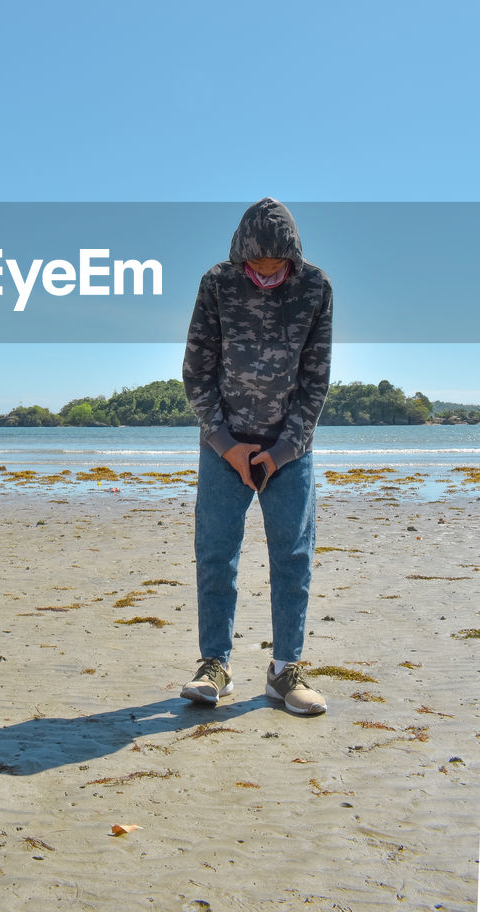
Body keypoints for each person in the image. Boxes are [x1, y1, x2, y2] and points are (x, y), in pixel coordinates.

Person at [180, 197, 333, 716]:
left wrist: (285, 449)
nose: (266, 273)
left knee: (293, 558)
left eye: (276, 265)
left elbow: (315, 381)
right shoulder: (217, 283)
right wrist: (226, 444)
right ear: (241, 255)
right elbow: (197, 373)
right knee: (216, 555)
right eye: (257, 264)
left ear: (292, 256)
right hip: (223, 446)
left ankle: (285, 669)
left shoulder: (316, 288)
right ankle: (214, 665)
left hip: (289, 451)